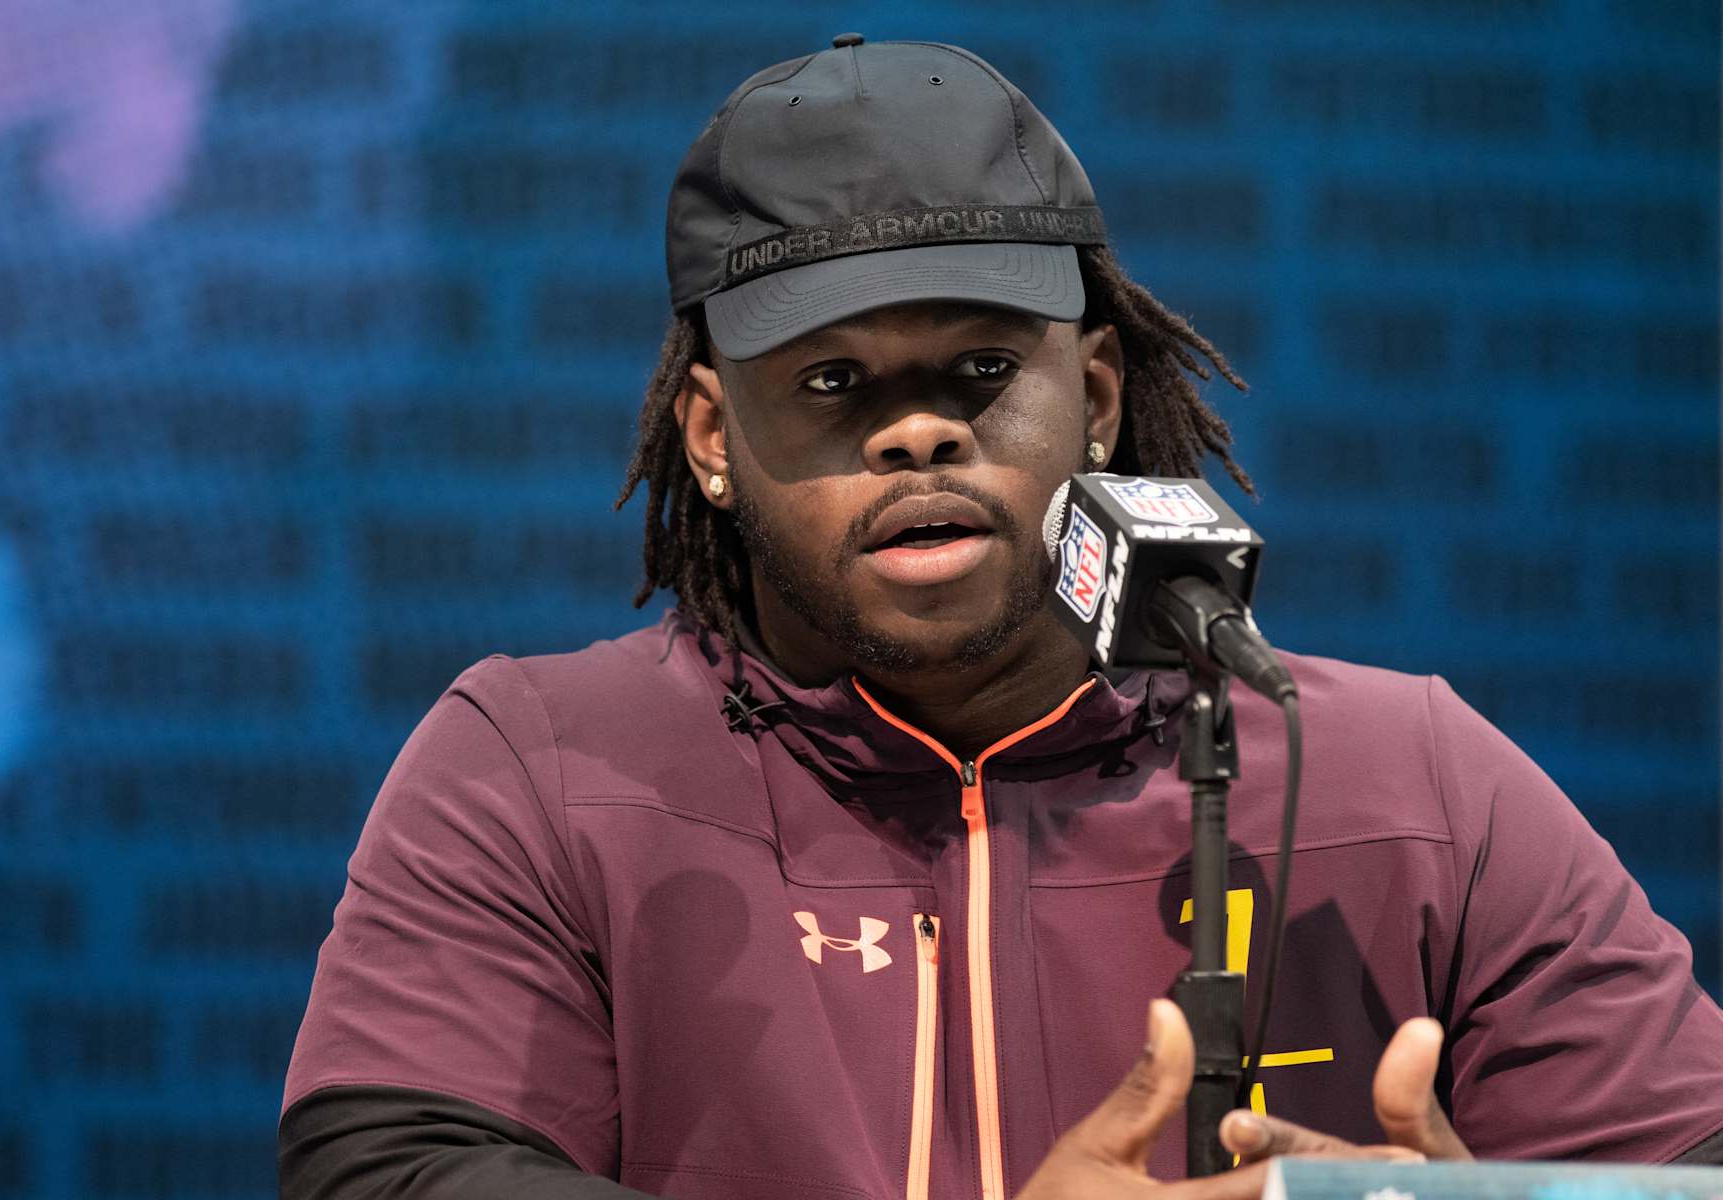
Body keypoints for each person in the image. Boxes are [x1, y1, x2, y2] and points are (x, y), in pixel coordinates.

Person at [278, 36, 1723, 1199]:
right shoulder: (537, 766)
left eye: (977, 373)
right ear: (712, 436)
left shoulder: (1406, 776)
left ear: (1093, 398)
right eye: (834, 385)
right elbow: (388, 1169)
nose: (917, 436)